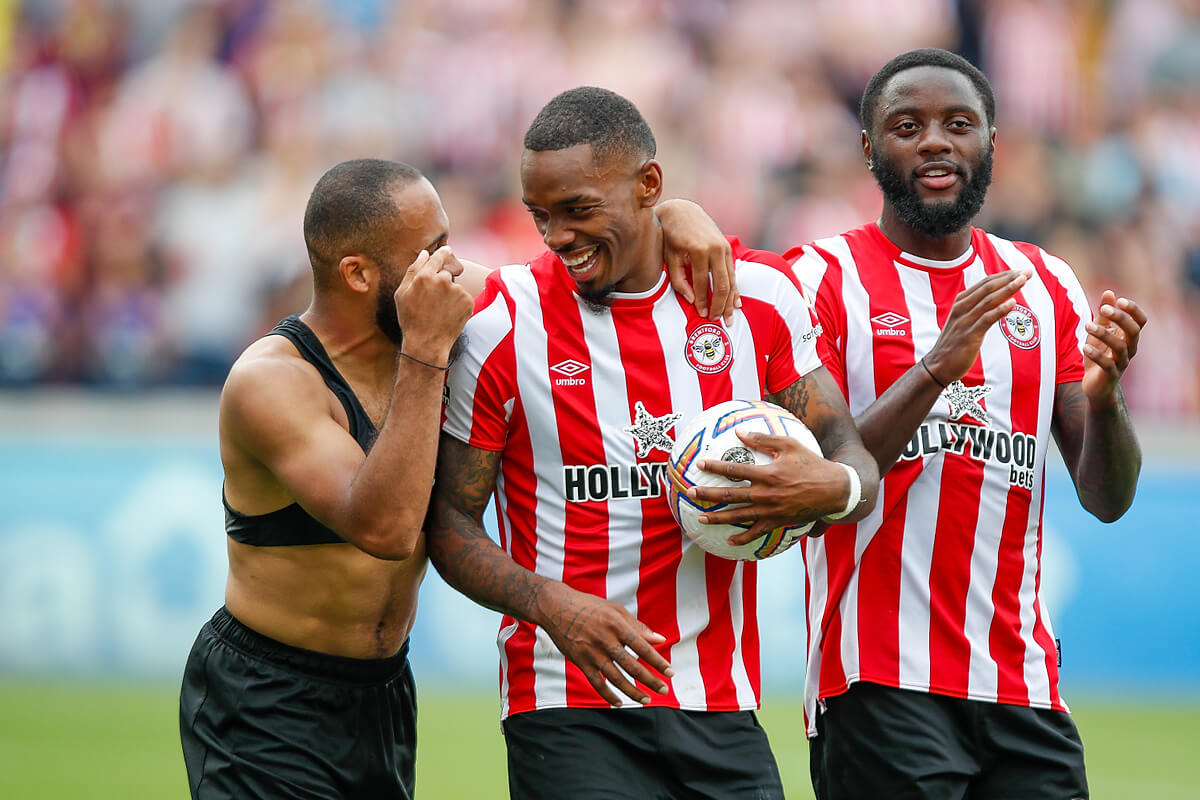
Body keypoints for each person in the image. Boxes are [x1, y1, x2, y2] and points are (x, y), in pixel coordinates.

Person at [177, 156, 741, 799]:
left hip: (382, 693)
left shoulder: (426, 299)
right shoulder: (272, 382)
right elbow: (385, 526)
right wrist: (424, 352)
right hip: (266, 697)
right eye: (430, 252)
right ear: (358, 274)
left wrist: (667, 215)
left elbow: (572, 275)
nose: (450, 268)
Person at [692, 49, 1147, 799]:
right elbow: (831, 474)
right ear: (870, 150)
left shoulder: (1046, 286)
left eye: (958, 124)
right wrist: (936, 366)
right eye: (908, 126)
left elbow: (1106, 497)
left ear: (991, 145)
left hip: (1023, 684)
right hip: (877, 682)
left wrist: (1105, 399)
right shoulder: (819, 281)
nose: (935, 141)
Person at [427, 86, 879, 799]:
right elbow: (449, 526)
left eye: (579, 210)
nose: (557, 237)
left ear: (650, 185)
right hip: (566, 702)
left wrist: (835, 488)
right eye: (540, 216)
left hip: (721, 701)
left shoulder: (754, 300)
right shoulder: (503, 326)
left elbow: (850, 454)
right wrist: (551, 605)